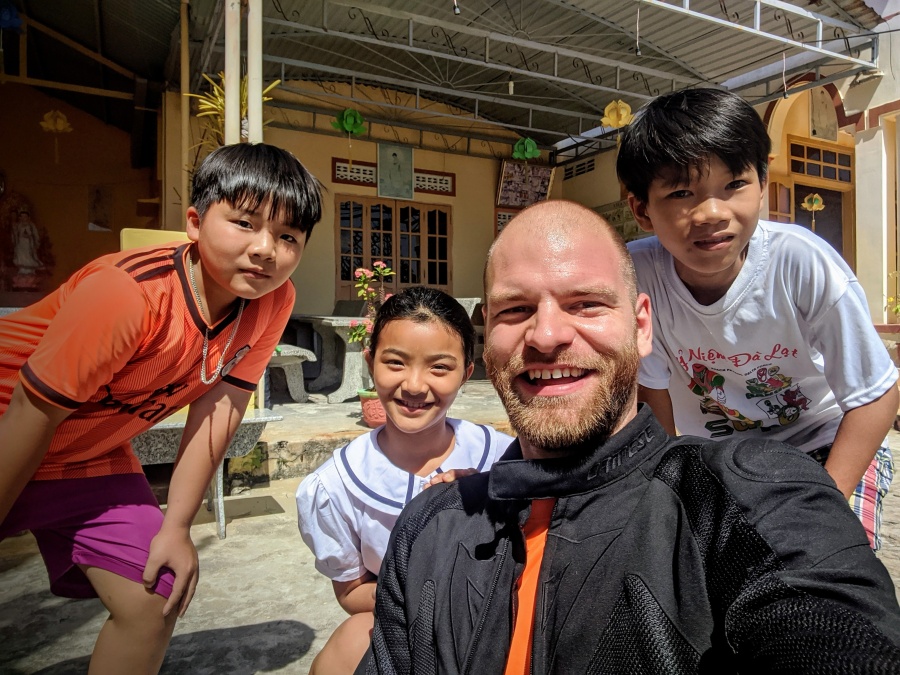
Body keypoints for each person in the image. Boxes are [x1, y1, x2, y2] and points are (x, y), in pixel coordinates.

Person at [359, 200, 900, 674]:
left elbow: (840, 628)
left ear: (643, 326)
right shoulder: (428, 531)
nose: (546, 335)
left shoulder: (748, 497)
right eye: (516, 309)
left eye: (586, 303)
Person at [0, 142, 322, 673]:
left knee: (155, 592)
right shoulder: (126, 293)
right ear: (195, 222)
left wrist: (177, 525)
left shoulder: (272, 302)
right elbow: (28, 416)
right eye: (244, 223)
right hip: (14, 432)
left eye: (287, 236)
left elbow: (221, 407)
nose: (266, 248)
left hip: (85, 456)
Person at [616, 87, 898, 550]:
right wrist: (669, 486)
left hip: (826, 441)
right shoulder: (636, 276)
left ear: (762, 183)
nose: (711, 213)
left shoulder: (802, 264)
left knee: (823, 562)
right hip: (719, 453)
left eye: (734, 185)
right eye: (682, 192)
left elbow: (876, 396)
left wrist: (827, 500)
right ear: (641, 209)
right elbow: (652, 392)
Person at [297, 286, 513, 674]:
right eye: (395, 362)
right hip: (403, 621)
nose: (414, 385)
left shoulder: (502, 459)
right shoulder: (337, 485)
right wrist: (429, 601)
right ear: (370, 361)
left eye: (439, 367)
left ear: (466, 373)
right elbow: (351, 592)